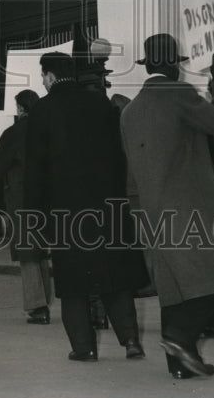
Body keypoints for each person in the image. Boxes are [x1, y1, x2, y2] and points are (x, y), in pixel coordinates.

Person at [120, 35, 214, 379]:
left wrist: (140, 215)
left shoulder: (130, 110)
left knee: (173, 290)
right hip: (193, 209)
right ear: (174, 64)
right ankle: (180, 337)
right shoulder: (177, 94)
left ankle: (180, 363)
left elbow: (131, 172)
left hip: (153, 212)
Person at [24, 50, 148, 363]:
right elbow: (120, 156)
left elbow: (35, 168)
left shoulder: (41, 110)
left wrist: (35, 214)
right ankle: (131, 340)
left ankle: (84, 347)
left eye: (42, 76)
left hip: (66, 211)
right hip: (107, 205)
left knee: (73, 283)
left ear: (50, 77)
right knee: (115, 276)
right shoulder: (100, 104)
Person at [0, 89, 53, 325]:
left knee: (28, 253)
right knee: (40, 253)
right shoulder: (47, 131)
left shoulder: (13, 133)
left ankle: (37, 307)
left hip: (23, 200)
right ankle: (44, 301)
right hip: (47, 200)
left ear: (20, 108)